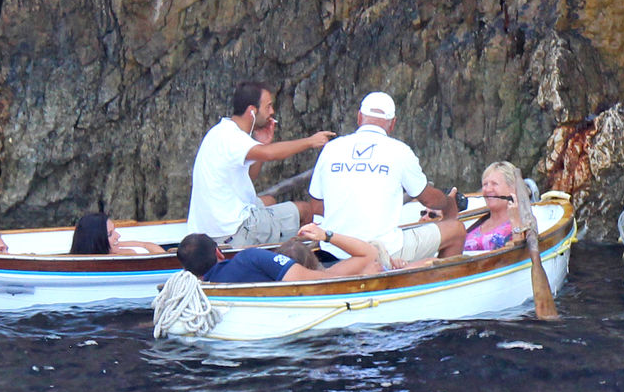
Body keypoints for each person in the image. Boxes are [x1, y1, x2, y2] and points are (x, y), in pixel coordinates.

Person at [310, 91, 467, 266]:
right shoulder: (400, 151)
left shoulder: (331, 148)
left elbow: (316, 205)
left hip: (333, 248)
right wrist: (448, 203)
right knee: (456, 230)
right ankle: (437, 288)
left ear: (359, 117)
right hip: (385, 249)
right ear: (392, 124)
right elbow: (430, 199)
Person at [188, 81, 333, 248]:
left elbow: (250, 176)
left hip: (212, 228)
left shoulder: (221, 131)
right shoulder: (232, 138)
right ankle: (292, 263)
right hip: (232, 231)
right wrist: (310, 141)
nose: (272, 112)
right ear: (252, 111)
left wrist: (261, 142)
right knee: (305, 210)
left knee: (269, 200)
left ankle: (275, 248)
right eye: (268, 107)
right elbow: (270, 154)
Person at [176, 229, 388, 285]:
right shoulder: (249, 258)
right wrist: (325, 235)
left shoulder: (201, 290)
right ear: (218, 252)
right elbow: (370, 253)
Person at [462, 163, 525, 254]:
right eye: (485, 184)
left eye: (494, 184)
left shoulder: (523, 220)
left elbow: (520, 254)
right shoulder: (476, 224)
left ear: (512, 189)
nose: (487, 189)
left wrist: (515, 222)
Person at [69, 213, 167, 255]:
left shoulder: (113, 248)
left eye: (114, 231)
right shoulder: (111, 257)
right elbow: (133, 252)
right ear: (97, 242)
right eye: (110, 234)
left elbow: (145, 245)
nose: (118, 236)